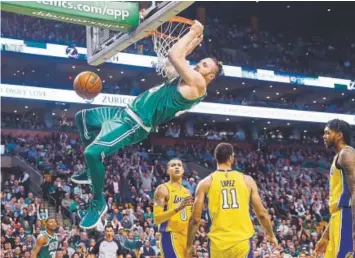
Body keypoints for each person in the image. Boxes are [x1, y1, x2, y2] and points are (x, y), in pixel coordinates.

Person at [71, 20, 222, 229]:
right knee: (83, 118)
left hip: (136, 123)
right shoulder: (183, 80)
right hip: (125, 111)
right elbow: (174, 62)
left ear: (210, 76)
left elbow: (174, 55)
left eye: (204, 65)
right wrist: (193, 43)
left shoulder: (198, 85)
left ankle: (98, 203)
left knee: (92, 154)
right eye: (201, 62)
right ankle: (90, 173)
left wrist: (192, 32)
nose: (199, 65)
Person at [186, 143, 278, 258]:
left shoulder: (205, 183)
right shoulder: (247, 180)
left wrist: (189, 244)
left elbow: (195, 219)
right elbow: (262, 213)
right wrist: (270, 234)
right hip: (242, 242)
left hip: (217, 243)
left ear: (216, 158)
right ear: (231, 158)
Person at [314, 119, 355, 258]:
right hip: (339, 217)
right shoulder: (338, 156)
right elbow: (338, 205)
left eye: (327, 133)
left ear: (339, 135)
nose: (324, 136)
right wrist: (326, 235)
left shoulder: (346, 154)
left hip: (348, 218)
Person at [153, 158, 194, 258]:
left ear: (183, 170)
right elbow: (157, 218)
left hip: (185, 237)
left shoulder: (187, 192)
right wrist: (177, 209)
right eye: (173, 165)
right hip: (170, 235)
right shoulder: (163, 189)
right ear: (168, 171)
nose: (176, 167)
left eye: (179, 165)